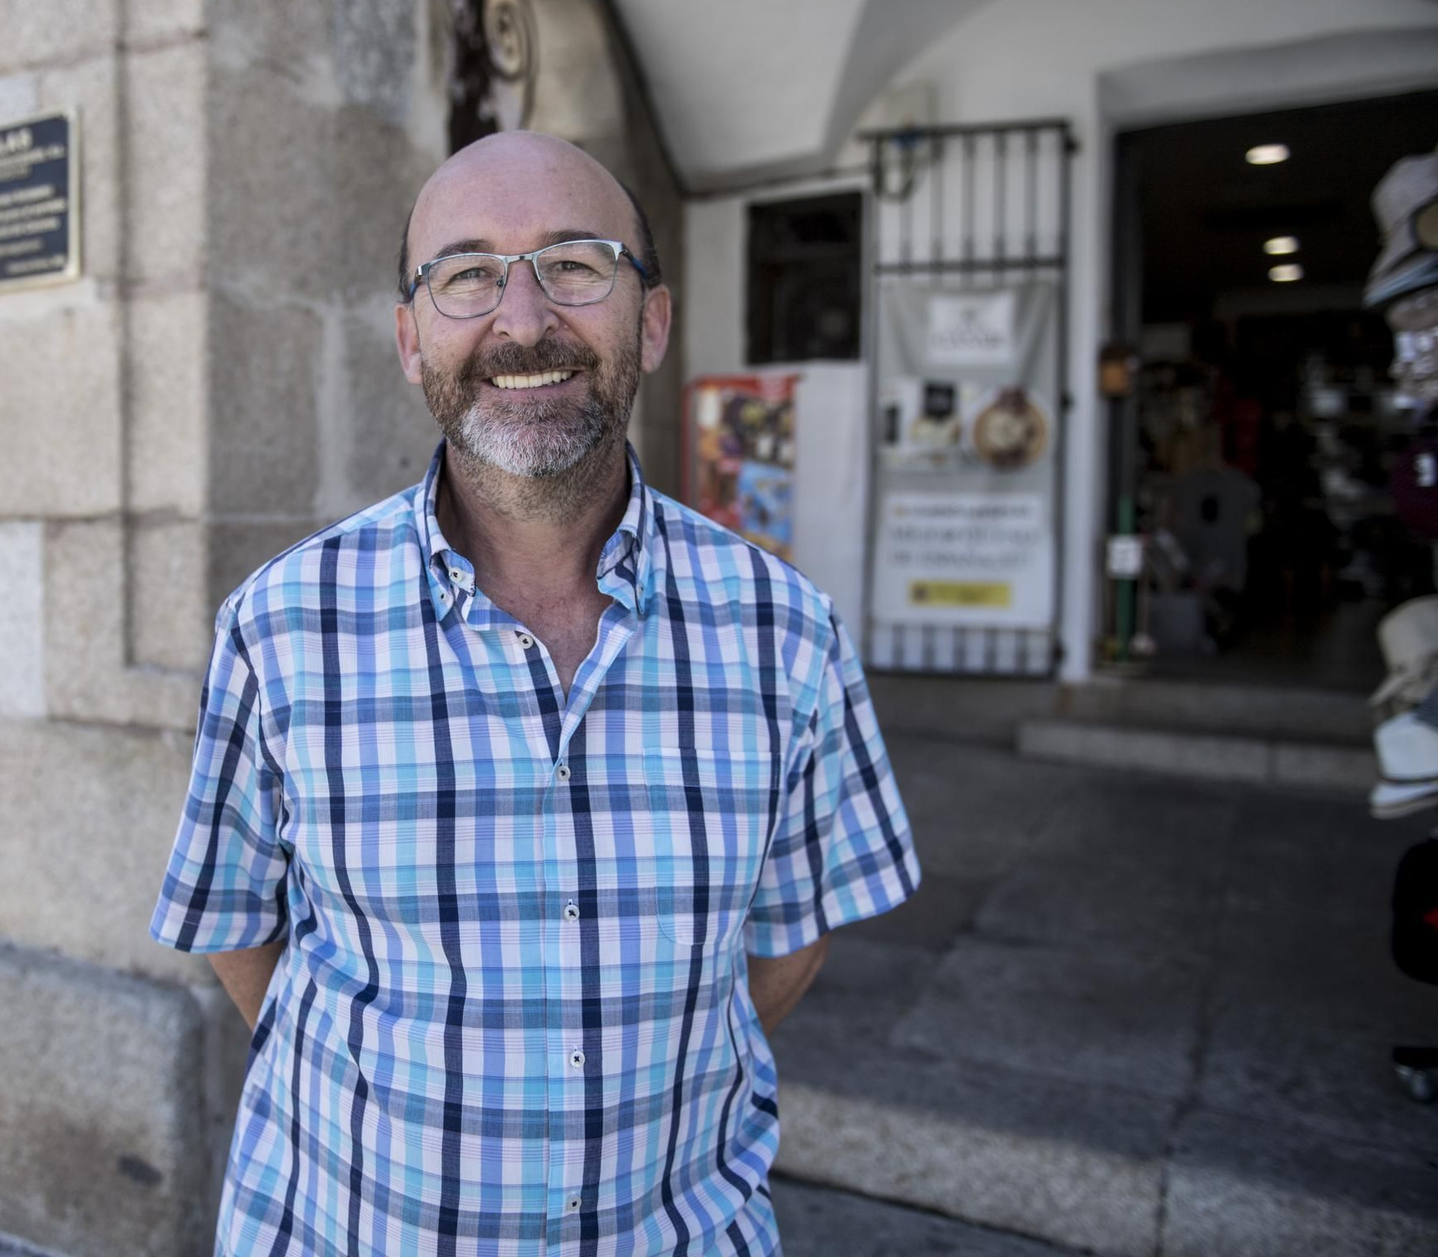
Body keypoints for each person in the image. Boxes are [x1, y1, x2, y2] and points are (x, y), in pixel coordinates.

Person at [150, 131, 919, 1254]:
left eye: (574, 263)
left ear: (649, 320)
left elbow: (789, 945)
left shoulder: (784, 631)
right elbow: (237, 931)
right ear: (412, 340)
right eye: (465, 274)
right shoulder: (279, 627)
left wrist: (631, 1090)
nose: (520, 321)